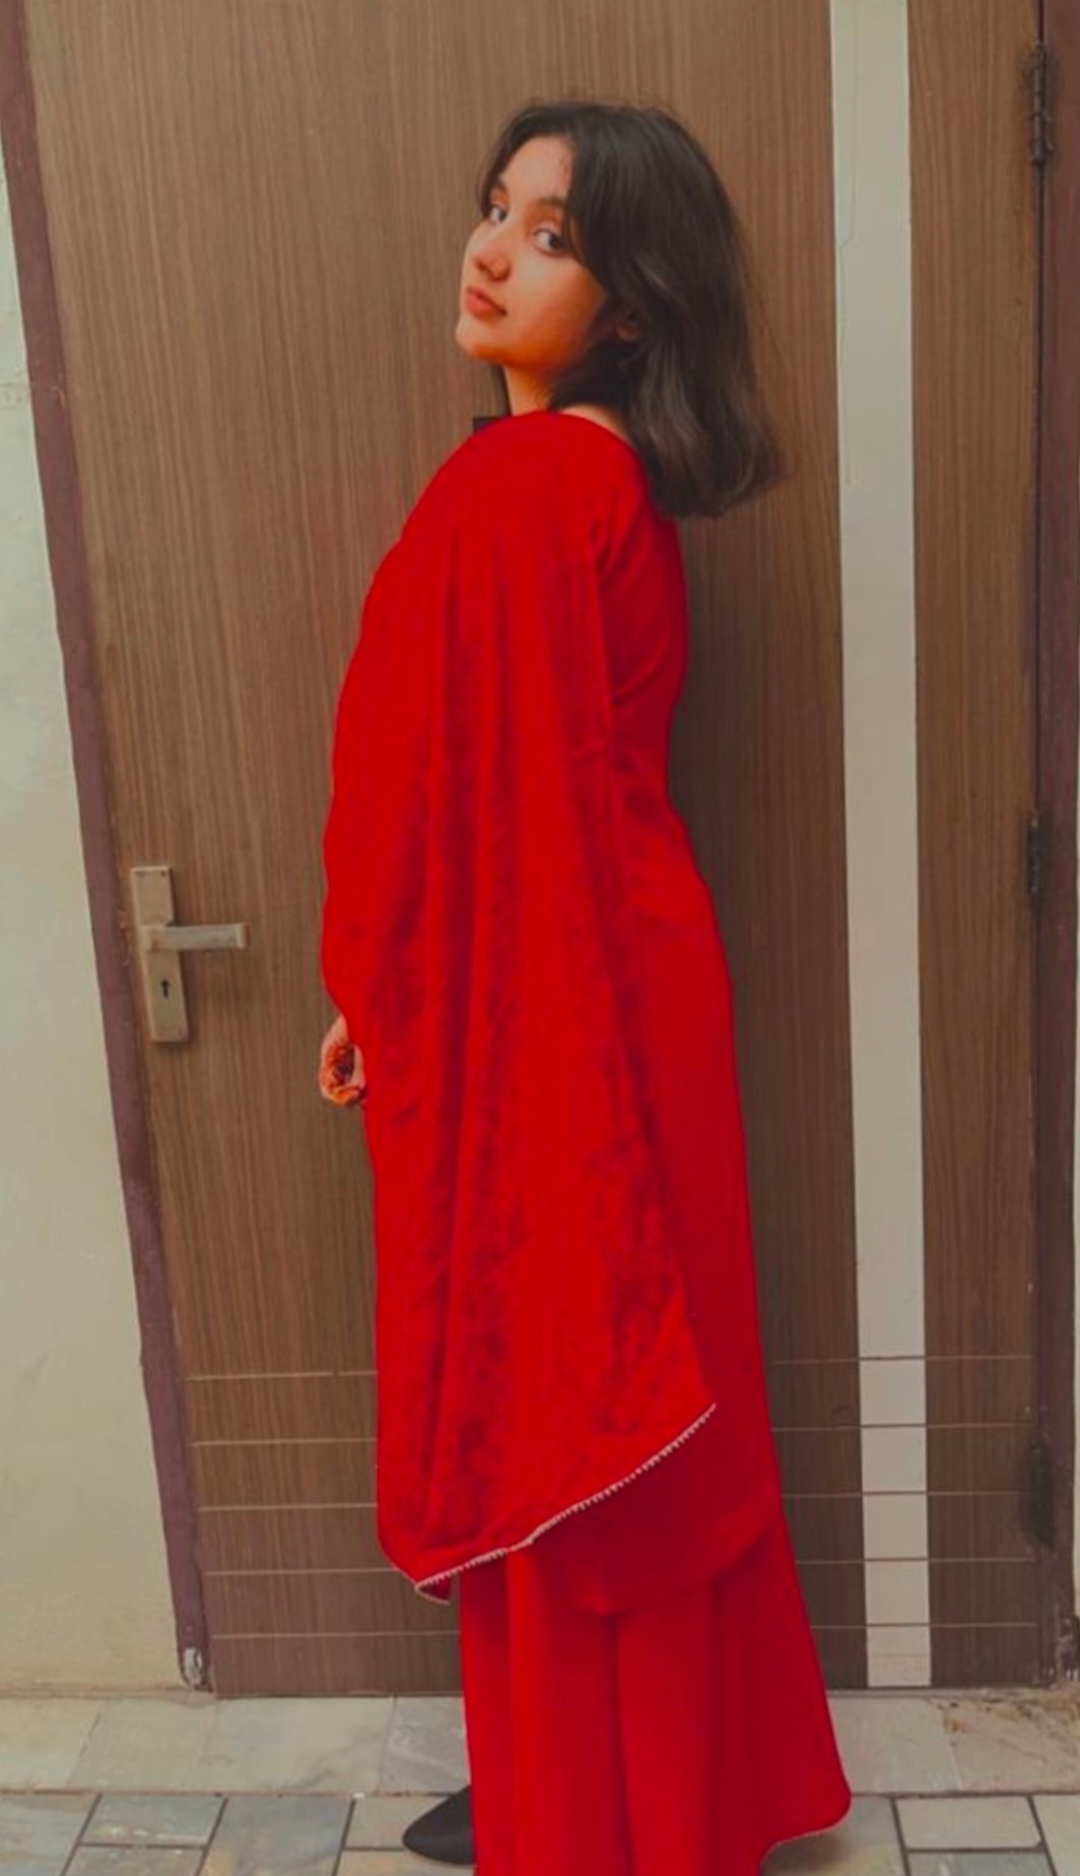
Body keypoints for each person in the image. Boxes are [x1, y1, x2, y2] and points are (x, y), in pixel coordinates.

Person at [318, 98, 851, 1876]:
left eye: (552, 235)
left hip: (571, 987)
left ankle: (590, 1805)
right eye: (498, 208)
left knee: (567, 1364)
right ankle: (637, 1786)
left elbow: (487, 799)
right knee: (624, 1387)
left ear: (630, 303)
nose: (494, 250)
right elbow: (490, 784)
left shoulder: (537, 482)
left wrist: (402, 984)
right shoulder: (582, 475)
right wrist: (387, 986)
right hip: (612, 965)